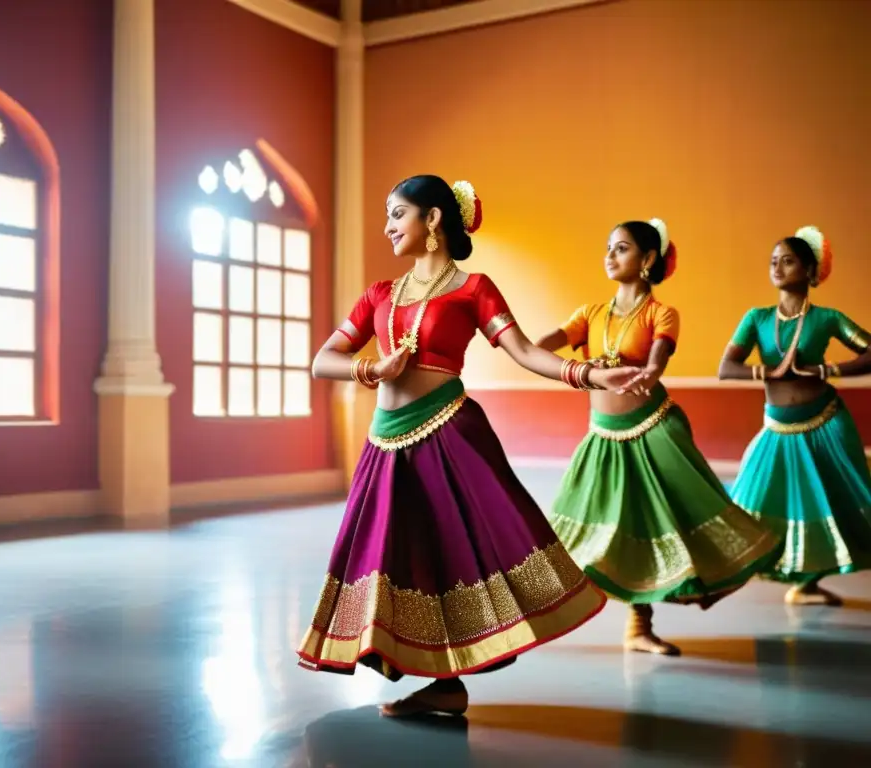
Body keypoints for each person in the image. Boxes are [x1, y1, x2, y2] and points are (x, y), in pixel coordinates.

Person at [296, 175, 639, 717]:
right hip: (385, 446)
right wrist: (372, 368)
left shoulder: (473, 288)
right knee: (397, 560)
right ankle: (443, 684)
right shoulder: (378, 295)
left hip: (448, 434)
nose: (387, 226)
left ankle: (449, 680)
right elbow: (322, 361)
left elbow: (524, 351)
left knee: (450, 554)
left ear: (433, 219)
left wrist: (588, 375)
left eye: (397, 214)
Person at [536, 219, 780, 656]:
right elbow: (542, 346)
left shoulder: (661, 313)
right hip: (603, 439)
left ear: (647, 260)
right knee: (588, 531)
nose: (609, 256)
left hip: (655, 432)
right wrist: (526, 349)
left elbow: (658, 358)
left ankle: (640, 626)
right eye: (608, 247)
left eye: (622, 248)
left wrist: (649, 373)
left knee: (656, 524)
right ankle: (554, 617)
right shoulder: (588, 314)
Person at [718, 225, 871, 606]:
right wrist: (770, 372)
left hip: (826, 423)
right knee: (765, 503)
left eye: (787, 261)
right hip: (777, 427)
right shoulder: (756, 318)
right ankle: (780, 575)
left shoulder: (828, 318)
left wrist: (826, 371)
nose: (777, 267)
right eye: (773, 261)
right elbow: (726, 367)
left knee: (832, 500)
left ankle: (807, 585)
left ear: (809, 270)